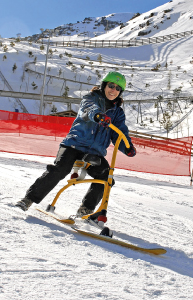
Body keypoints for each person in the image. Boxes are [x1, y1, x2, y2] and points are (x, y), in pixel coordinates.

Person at [14, 72, 139, 236]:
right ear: (104, 85)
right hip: (74, 144)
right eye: (110, 86)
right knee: (60, 169)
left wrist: (127, 146)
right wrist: (98, 115)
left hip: (95, 152)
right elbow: (88, 109)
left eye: (117, 88)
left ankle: (86, 210)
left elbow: (119, 133)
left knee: (106, 178)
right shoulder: (91, 98)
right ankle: (28, 199)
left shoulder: (117, 113)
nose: (113, 90)